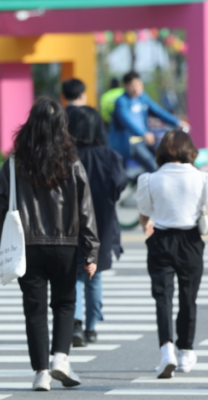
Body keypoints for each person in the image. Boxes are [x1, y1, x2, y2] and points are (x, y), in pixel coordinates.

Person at [0, 98, 99, 392]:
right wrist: (91, 251)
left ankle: (41, 373)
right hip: (65, 244)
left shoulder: (14, 164)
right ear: (61, 127)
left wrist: (3, 242)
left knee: (34, 309)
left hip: (28, 246)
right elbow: (86, 209)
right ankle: (60, 359)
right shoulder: (73, 164)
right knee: (65, 303)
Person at [136, 130, 208, 379]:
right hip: (191, 240)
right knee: (188, 297)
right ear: (190, 151)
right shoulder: (203, 178)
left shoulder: (150, 179)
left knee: (162, 297)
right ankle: (186, 351)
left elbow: (144, 210)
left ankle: (166, 350)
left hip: (161, 239)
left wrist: (145, 225)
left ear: (161, 151)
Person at [67, 106, 128, 346]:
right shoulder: (110, 156)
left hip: (71, 224)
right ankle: (92, 327)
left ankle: (76, 323)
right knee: (95, 275)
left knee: (75, 276)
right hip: (102, 222)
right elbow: (120, 185)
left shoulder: (67, 157)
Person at [108, 71, 189, 173]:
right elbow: (126, 121)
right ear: (126, 86)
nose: (136, 88)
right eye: (132, 86)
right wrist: (143, 133)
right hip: (130, 142)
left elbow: (158, 111)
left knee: (165, 158)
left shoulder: (142, 98)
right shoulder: (121, 101)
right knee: (151, 164)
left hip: (147, 139)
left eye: (138, 84)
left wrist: (177, 122)